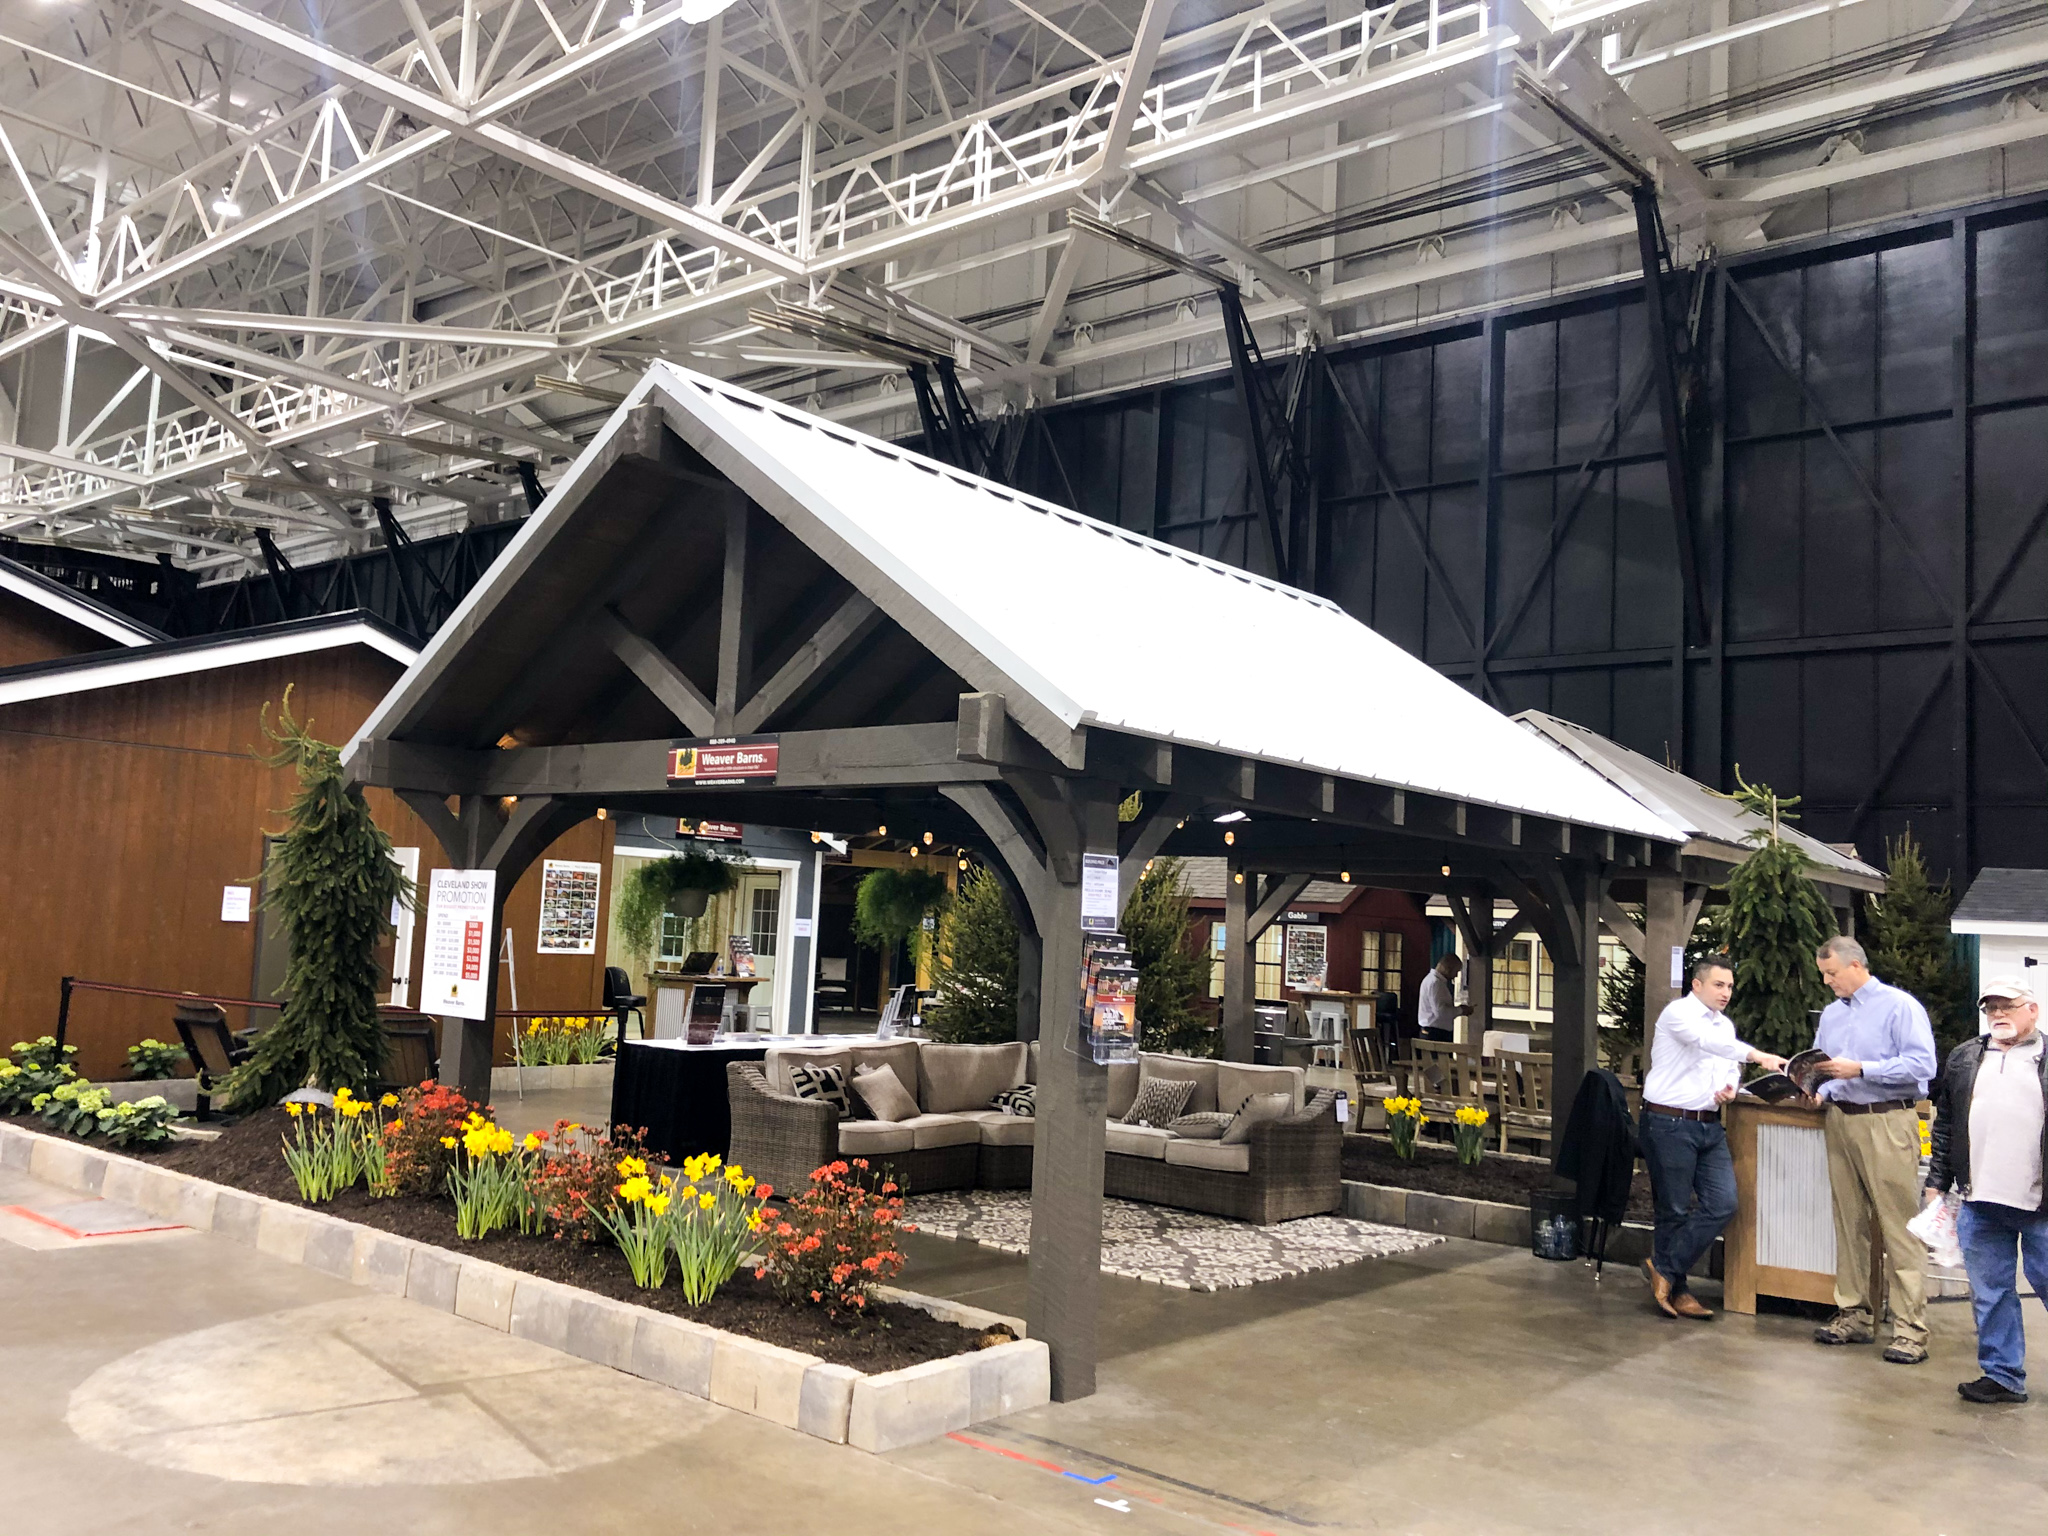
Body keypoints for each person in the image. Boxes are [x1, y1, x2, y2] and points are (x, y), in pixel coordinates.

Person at [1806, 934, 1940, 1363]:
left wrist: (1863, 1068)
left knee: (1899, 1225)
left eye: (1831, 973)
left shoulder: (1899, 1007)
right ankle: (1854, 1314)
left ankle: (1910, 1329)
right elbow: (1826, 1068)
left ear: (1856, 965)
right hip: (1840, 1121)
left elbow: (1923, 1066)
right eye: (1823, 974)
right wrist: (1819, 1089)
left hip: (1886, 1120)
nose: (1827, 981)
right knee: (1848, 1222)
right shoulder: (1831, 1015)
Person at [1637, 956, 1787, 1319]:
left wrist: (1730, 1087)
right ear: (1697, 985)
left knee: (1723, 1203)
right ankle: (1678, 1291)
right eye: (1719, 985)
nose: (1726, 993)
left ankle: (1663, 1268)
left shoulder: (1725, 1024)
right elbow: (1709, 1043)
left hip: (1709, 1125)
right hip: (1669, 1122)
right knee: (1673, 1209)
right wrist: (1757, 1055)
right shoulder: (1678, 1014)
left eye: (1730, 986)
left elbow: (1728, 1064)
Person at [1927, 978, 2048, 1404]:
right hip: (1979, 1201)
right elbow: (1946, 1124)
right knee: (1991, 1294)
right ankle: (2002, 1375)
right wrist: (1937, 1182)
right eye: (1990, 1008)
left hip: (2041, 1204)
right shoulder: (1965, 1057)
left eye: (2007, 1006)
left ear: (2032, 1010)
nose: (1997, 1014)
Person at [1418, 953, 1470, 1043]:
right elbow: (1441, 1012)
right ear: (1448, 969)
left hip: (1434, 1032)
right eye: (1456, 971)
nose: (1456, 976)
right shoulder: (1435, 983)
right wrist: (1461, 1010)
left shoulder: (1431, 980)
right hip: (1435, 1034)